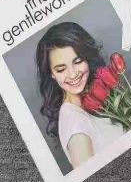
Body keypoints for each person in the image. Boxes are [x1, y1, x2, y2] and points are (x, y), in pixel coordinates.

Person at [36, 22, 125, 168]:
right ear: (51, 73)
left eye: (77, 61)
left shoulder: (90, 101)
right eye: (61, 69)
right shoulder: (74, 123)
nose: (72, 74)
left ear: (87, 58)